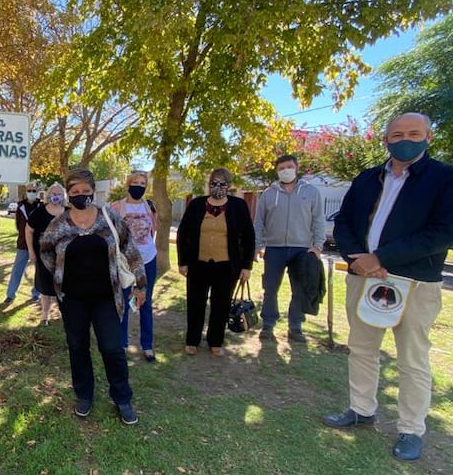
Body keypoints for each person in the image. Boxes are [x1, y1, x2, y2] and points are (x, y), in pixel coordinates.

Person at [323, 113, 453, 462]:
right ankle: (361, 408)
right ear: (386, 139)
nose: (405, 139)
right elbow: (343, 221)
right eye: (397, 134)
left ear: (428, 137)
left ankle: (411, 429)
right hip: (364, 278)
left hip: (414, 283)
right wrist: (357, 256)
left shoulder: (448, 179)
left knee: (412, 359)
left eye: (414, 133)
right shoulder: (368, 178)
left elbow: (443, 233)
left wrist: (383, 257)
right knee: (361, 348)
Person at [40, 168, 146, 425]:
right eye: (74, 192)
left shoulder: (108, 217)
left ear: (92, 191)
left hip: (106, 297)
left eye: (85, 191)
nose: (80, 196)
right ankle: (84, 394)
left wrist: (140, 286)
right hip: (73, 299)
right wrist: (59, 277)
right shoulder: (59, 224)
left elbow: (130, 249)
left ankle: (122, 399)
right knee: (78, 348)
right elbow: (45, 250)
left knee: (112, 348)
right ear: (68, 193)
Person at [176, 168, 255, 357]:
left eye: (222, 183)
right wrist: (183, 261)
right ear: (209, 183)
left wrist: (246, 266)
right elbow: (183, 233)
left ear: (229, 185)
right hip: (198, 264)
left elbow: (249, 238)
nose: (217, 186)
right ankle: (192, 340)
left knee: (221, 304)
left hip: (227, 265)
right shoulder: (196, 205)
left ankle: (215, 341)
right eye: (214, 182)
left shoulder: (238, 206)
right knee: (195, 303)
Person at [253, 154, 326, 343]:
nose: (286, 171)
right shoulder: (268, 194)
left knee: (299, 290)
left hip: (301, 250)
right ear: (277, 171)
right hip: (275, 249)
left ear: (297, 168)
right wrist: (258, 245)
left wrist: (317, 247)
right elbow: (259, 222)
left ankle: (295, 327)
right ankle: (268, 325)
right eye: (281, 168)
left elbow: (318, 220)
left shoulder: (311, 192)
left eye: (289, 167)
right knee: (270, 288)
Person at [109, 171, 158, 362]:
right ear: (128, 184)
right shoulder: (116, 207)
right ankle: (122, 343)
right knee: (123, 302)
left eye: (143, 183)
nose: (139, 186)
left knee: (145, 302)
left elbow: (153, 229)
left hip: (148, 260)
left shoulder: (150, 207)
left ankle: (147, 346)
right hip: (125, 263)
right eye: (135, 182)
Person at [25, 182, 66, 326]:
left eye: (59, 194)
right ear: (48, 195)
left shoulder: (68, 212)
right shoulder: (39, 212)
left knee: (64, 288)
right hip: (44, 258)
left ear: (64, 196)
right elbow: (28, 230)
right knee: (45, 288)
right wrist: (31, 251)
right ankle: (44, 315)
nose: (56, 196)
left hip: (65, 259)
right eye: (53, 193)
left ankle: (65, 315)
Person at [2, 182, 42, 307]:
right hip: (23, 244)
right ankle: (10, 294)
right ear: (26, 192)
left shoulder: (41, 206)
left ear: (37, 192)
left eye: (33, 191)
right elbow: (18, 226)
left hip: (38, 244)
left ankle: (36, 293)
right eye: (29, 190)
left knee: (39, 271)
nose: (31, 193)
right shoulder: (20, 207)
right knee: (17, 270)